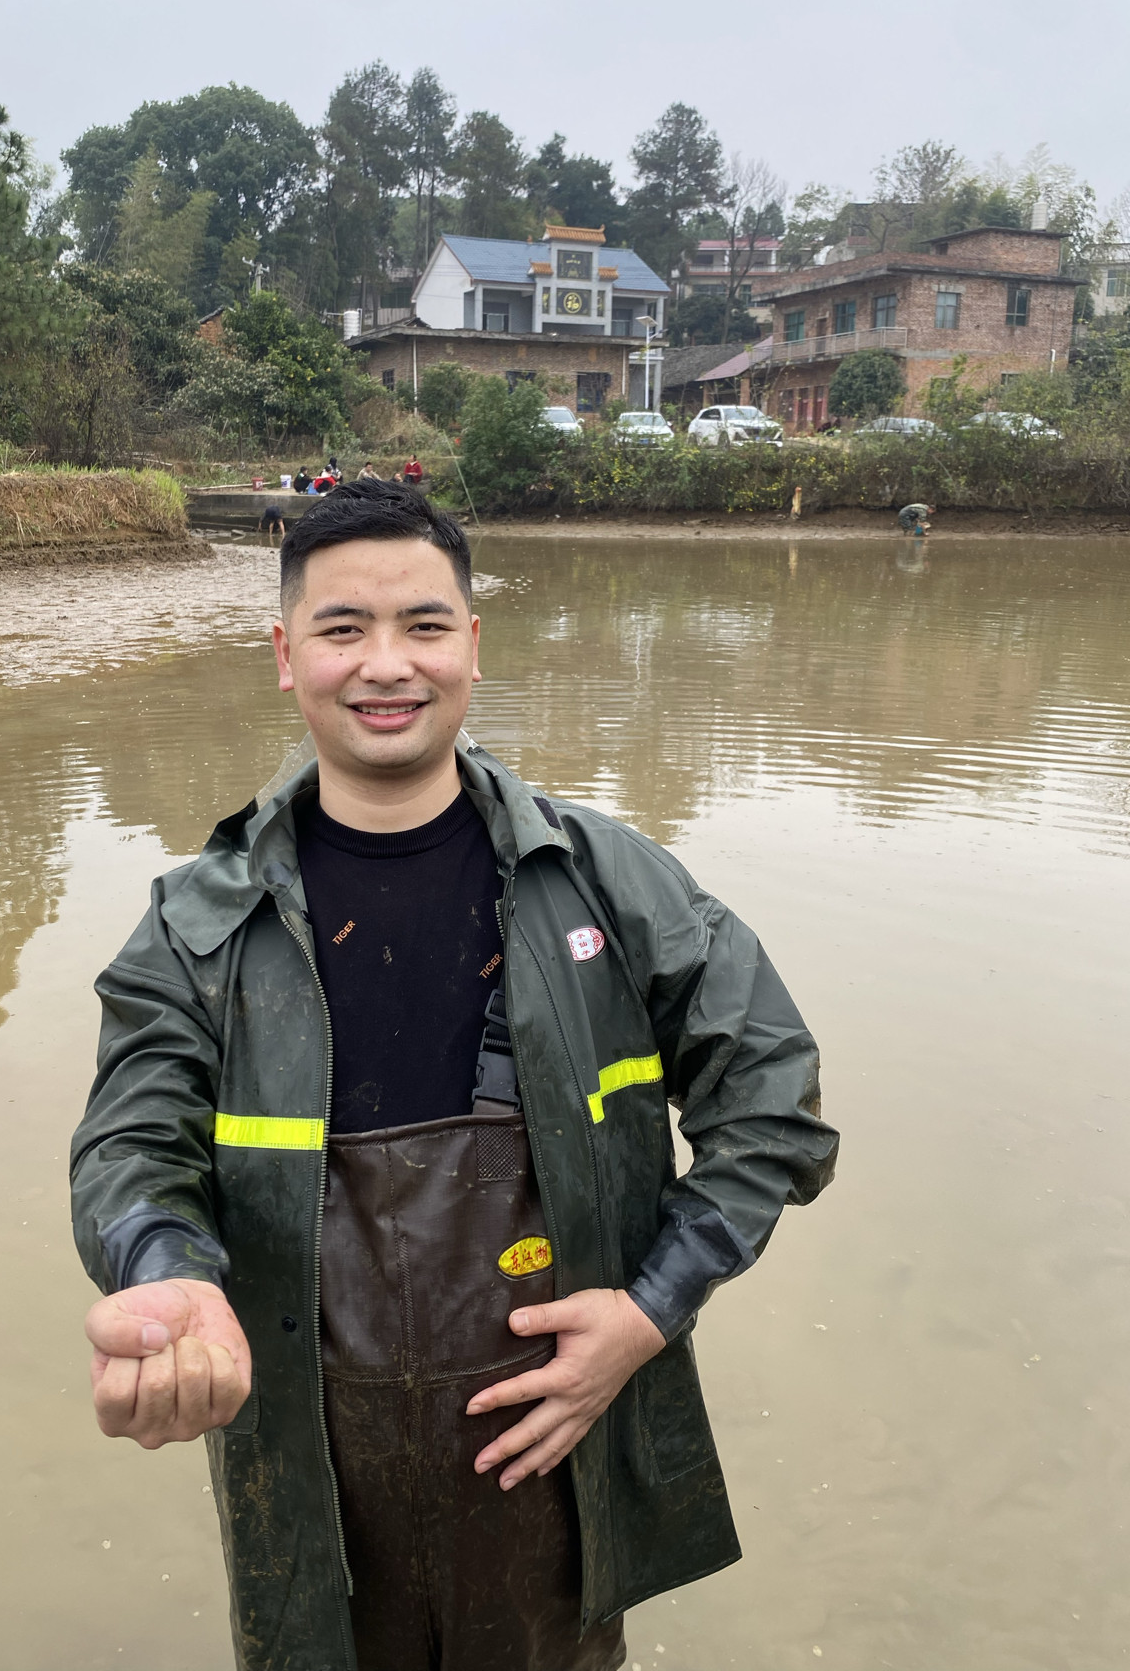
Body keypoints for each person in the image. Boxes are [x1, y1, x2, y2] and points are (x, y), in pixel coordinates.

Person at [72, 479, 838, 1671]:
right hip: (308, 1486)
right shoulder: (193, 927)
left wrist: (648, 1311)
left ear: (474, 646)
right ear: (286, 656)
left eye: (424, 625)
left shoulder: (612, 883)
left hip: (559, 1465)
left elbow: (771, 1097)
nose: (387, 664)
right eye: (342, 629)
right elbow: (131, 1149)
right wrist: (171, 1284)